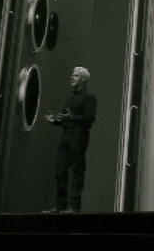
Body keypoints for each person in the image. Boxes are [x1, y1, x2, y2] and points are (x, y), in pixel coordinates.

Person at [43, 66, 96, 213]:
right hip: (66, 135)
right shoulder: (70, 99)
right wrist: (54, 120)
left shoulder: (89, 97)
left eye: (76, 75)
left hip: (79, 135)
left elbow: (90, 118)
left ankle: (74, 207)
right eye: (72, 75)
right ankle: (60, 207)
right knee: (60, 170)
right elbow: (65, 119)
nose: (72, 77)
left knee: (76, 170)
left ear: (83, 79)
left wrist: (71, 117)